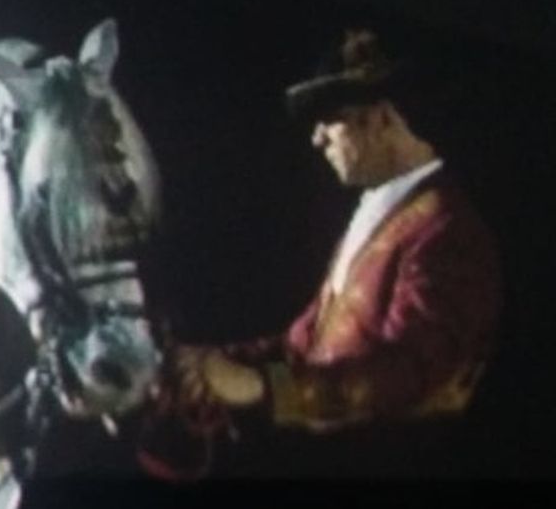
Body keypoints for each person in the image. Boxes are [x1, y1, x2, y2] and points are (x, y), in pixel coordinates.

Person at [150, 28, 503, 478]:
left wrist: (257, 387)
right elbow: (302, 348)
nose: (317, 139)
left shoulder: (448, 232)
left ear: (380, 119)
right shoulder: (384, 211)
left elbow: (407, 377)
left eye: (329, 120)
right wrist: (210, 363)